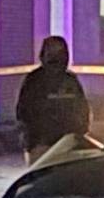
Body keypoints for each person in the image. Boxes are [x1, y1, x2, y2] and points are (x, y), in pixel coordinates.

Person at [16, 36, 91, 165]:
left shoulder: (70, 80)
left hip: (68, 145)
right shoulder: (35, 80)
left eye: (59, 52)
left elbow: (82, 109)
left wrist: (79, 134)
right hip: (42, 145)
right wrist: (33, 141)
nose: (56, 58)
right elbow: (24, 112)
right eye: (52, 52)